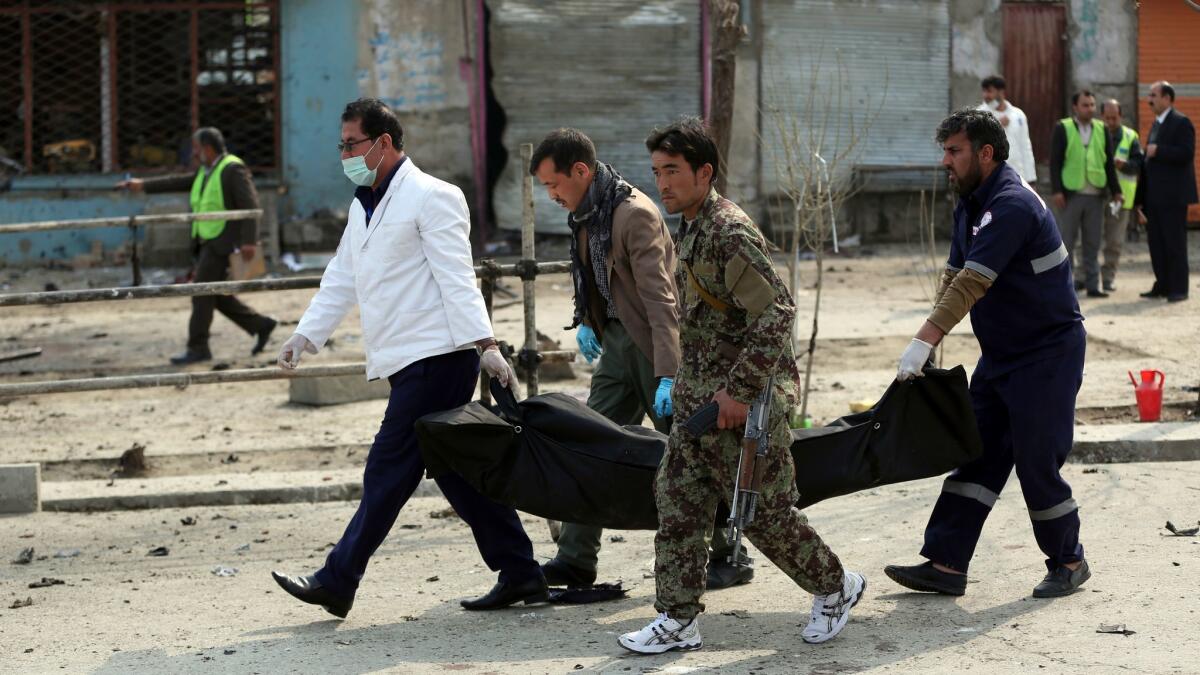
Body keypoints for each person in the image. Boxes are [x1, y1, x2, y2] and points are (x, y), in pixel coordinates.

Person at [270, 98, 547, 618]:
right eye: (342, 145)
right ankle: (521, 572)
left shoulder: (433, 196)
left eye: (352, 144)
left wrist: (485, 344)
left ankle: (337, 580)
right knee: (458, 470)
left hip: (438, 358)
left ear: (384, 143)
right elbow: (342, 277)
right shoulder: (363, 204)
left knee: (387, 469)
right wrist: (305, 336)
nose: (345, 154)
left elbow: (455, 274)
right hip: (404, 361)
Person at [619, 118, 864, 654]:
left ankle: (835, 586)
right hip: (699, 401)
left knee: (764, 516)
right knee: (677, 502)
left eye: (674, 172)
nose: (663, 184)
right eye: (657, 172)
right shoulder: (692, 226)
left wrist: (741, 391)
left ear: (705, 172)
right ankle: (678, 619)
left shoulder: (728, 231)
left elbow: (776, 314)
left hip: (743, 405)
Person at [529, 128, 752, 591]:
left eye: (554, 184)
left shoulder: (634, 215)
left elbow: (661, 300)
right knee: (589, 444)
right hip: (616, 347)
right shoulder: (587, 212)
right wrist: (589, 318)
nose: (551, 195)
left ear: (581, 171)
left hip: (657, 349)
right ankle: (575, 559)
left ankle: (730, 553)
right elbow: (595, 277)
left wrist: (669, 374)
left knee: (691, 452)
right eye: (544, 188)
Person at [886, 109, 1090, 600]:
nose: (945, 162)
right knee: (975, 453)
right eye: (945, 151)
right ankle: (946, 563)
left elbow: (972, 284)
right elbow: (953, 276)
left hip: (1047, 353)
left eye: (954, 151)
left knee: (1037, 460)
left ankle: (1069, 560)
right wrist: (933, 342)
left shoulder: (1012, 205)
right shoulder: (971, 204)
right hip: (1002, 354)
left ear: (986, 153)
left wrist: (923, 341)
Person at [118, 127, 276, 364]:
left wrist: (249, 241)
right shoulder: (206, 171)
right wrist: (143, 185)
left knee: (200, 293)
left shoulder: (232, 169)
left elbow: (250, 205)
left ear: (208, 148)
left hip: (223, 242)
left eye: (196, 149)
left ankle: (198, 347)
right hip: (208, 240)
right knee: (213, 294)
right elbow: (177, 182)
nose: (194, 154)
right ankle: (260, 324)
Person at [1049, 90, 1123, 298]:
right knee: (1067, 242)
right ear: (1075, 107)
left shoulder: (1102, 129)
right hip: (1070, 194)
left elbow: (1108, 162)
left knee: (1092, 243)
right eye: (1085, 105)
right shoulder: (1062, 128)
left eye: (1092, 105)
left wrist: (1116, 191)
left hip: (1096, 195)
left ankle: (1093, 285)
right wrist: (1056, 191)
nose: (1089, 109)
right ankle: (1065, 287)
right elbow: (1055, 161)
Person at [1135, 81, 1196, 303]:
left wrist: (1159, 150)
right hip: (1155, 197)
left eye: (1154, 95)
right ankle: (1163, 284)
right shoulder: (1156, 125)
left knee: (1174, 244)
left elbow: (1187, 153)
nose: (1149, 99)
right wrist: (1140, 199)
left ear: (1167, 98)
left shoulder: (1181, 122)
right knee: (1157, 244)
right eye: (1149, 95)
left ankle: (1179, 288)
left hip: (1173, 197)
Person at [1099, 99, 1144, 292]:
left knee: (1114, 242)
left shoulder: (1130, 136)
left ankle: (1108, 278)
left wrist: (1123, 165)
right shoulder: (1094, 133)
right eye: (1107, 118)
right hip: (1098, 195)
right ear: (1102, 117)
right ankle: (1085, 277)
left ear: (1121, 116)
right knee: (1088, 240)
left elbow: (1138, 165)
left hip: (1121, 198)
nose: (1110, 122)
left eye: (1114, 118)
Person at [976, 75, 1037, 182]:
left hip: (1018, 177)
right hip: (991, 179)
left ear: (1001, 92)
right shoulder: (979, 114)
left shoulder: (1018, 115)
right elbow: (977, 144)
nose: (986, 95)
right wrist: (998, 125)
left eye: (989, 91)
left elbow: (1025, 147)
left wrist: (1031, 179)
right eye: (984, 91)